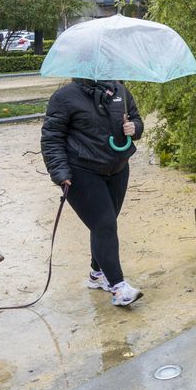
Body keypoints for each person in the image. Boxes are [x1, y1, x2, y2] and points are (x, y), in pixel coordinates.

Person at [41, 78, 145, 306]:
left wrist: (135, 127)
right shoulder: (65, 97)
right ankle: (118, 288)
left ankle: (97, 275)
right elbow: (51, 137)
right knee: (104, 224)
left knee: (104, 225)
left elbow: (137, 119)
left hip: (117, 168)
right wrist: (60, 172)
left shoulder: (120, 90)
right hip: (82, 172)